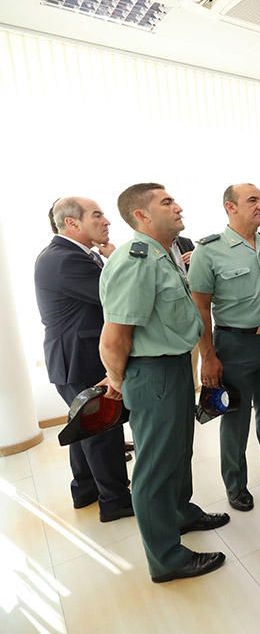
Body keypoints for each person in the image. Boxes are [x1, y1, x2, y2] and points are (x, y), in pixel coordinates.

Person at [99, 183, 229, 583]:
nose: (178, 206)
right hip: (150, 371)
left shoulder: (163, 255)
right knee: (155, 466)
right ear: (141, 215)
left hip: (172, 366)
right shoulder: (136, 260)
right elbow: (114, 336)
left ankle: (180, 512)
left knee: (177, 450)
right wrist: (118, 383)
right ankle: (166, 558)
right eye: (166, 202)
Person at [188, 183, 260, 514]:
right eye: (253, 200)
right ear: (230, 207)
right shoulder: (209, 250)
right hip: (234, 344)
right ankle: (235, 483)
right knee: (235, 417)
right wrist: (208, 356)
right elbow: (201, 307)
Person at [35, 197, 132, 523]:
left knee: (84, 426)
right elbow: (116, 296)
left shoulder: (72, 254)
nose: (106, 221)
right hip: (80, 359)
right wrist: (118, 257)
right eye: (97, 215)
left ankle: (86, 489)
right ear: (72, 224)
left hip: (74, 357)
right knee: (103, 430)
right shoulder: (65, 259)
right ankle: (116, 501)